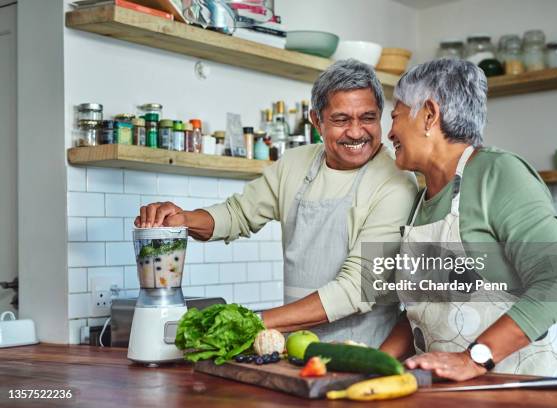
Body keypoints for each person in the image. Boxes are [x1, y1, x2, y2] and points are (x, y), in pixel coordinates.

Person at [135, 59, 418, 347]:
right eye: (341, 120)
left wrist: (251, 322)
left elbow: (356, 288)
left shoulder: (396, 183)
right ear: (317, 120)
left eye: (368, 118)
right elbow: (238, 214)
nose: (356, 132)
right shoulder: (295, 164)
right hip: (293, 350)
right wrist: (184, 219)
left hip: (363, 354)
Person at [379, 58, 557, 380]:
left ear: (429, 114)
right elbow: (427, 314)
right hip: (450, 394)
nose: (389, 132)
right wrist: (370, 363)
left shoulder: (499, 174)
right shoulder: (419, 203)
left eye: (395, 116)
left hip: (526, 387)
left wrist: (473, 359)